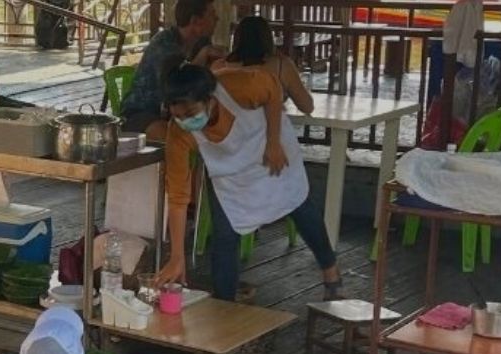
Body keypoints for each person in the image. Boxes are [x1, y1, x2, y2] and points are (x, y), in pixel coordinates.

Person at [156, 64, 342, 302]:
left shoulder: (239, 85)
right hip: (231, 176)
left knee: (300, 206)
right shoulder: (178, 134)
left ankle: (331, 273)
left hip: (270, 153)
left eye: (191, 113)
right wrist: (177, 256)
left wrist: (273, 142)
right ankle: (225, 307)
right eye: (178, 116)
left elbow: (273, 89)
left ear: (210, 99)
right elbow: (178, 198)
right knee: (224, 236)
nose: (185, 121)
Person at [119, 0, 222, 141]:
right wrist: (202, 56)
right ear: (195, 21)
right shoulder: (163, 44)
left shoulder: (201, 43)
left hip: (180, 112)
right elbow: (178, 83)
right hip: (142, 113)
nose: (217, 19)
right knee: (174, 138)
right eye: (212, 14)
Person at [224, 16, 314, 115]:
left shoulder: (222, 66)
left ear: (237, 38)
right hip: (268, 127)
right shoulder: (281, 66)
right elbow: (307, 106)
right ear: (268, 38)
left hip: (231, 128)